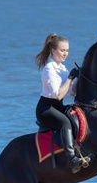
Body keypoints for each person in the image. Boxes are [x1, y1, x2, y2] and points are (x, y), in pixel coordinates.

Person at [35, 33, 88, 173]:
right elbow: (58, 95)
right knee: (65, 122)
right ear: (53, 50)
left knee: (76, 115)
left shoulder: (62, 68)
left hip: (57, 107)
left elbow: (72, 92)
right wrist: (70, 78)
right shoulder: (49, 69)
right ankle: (72, 159)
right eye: (62, 50)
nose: (65, 54)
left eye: (67, 51)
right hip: (46, 109)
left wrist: (78, 77)